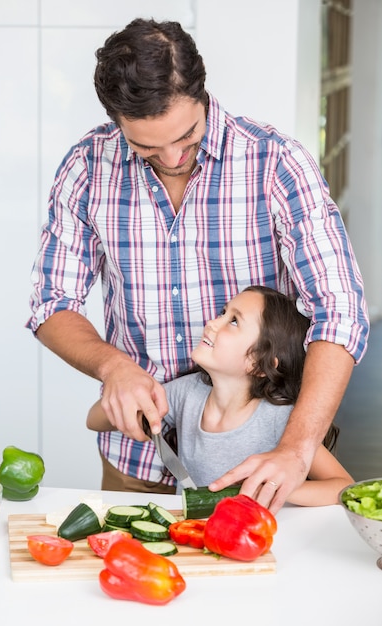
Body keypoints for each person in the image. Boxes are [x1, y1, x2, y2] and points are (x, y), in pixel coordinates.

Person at [27, 18, 369, 513]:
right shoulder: (87, 167)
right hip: (137, 464)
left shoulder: (275, 162)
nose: (172, 156)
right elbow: (50, 304)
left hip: (261, 473)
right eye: (146, 147)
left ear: (202, 94)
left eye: (187, 135)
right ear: (116, 121)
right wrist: (114, 367)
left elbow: (339, 311)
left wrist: (294, 451)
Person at [87, 286, 354, 505]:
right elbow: (93, 421)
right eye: (223, 312)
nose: (212, 323)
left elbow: (344, 487)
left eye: (233, 321)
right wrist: (126, 388)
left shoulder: (280, 419)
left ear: (259, 364)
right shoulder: (187, 394)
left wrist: (269, 489)